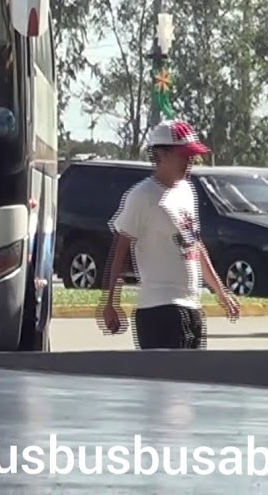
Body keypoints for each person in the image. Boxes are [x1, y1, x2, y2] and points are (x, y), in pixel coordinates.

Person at [101, 120, 240, 349]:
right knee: (165, 382)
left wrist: (220, 292)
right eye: (184, 155)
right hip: (159, 309)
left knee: (192, 381)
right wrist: (110, 303)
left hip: (192, 305)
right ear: (161, 155)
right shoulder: (142, 196)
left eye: (192, 156)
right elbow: (120, 249)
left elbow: (194, 245)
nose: (190, 161)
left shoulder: (187, 190)